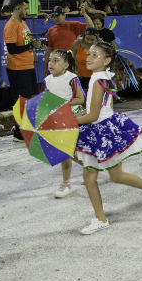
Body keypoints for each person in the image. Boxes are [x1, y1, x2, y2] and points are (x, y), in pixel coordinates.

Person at [74, 42, 142, 234]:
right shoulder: (100, 76)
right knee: (107, 176)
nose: (89, 57)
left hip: (101, 130)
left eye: (95, 54)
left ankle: (102, 218)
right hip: (100, 129)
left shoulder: (98, 80)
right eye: (89, 53)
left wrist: (72, 122)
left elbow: (93, 115)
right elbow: (91, 110)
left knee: (104, 176)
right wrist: (74, 118)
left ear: (106, 60)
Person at [43, 49, 86, 198]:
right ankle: (87, 170)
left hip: (75, 117)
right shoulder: (47, 80)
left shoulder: (71, 78)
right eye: (49, 60)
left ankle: (68, 182)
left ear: (66, 64)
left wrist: (62, 104)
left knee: (68, 151)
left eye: (56, 60)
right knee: (68, 152)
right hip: (59, 120)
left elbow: (81, 99)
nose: (51, 63)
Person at [4, 0, 43, 141]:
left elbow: (26, 42)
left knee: (31, 97)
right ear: (18, 9)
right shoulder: (11, 25)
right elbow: (12, 49)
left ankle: (25, 127)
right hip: (18, 68)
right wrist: (31, 46)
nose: (27, 11)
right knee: (22, 100)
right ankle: (19, 131)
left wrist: (34, 43)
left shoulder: (23, 23)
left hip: (28, 65)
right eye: (25, 9)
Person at [44, 4, 94, 69]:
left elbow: (91, 26)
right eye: (53, 17)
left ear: (64, 15)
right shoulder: (51, 30)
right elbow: (49, 50)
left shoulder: (73, 25)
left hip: (72, 61)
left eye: (57, 16)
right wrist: (45, 67)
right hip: (58, 63)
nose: (55, 19)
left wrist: (84, 13)